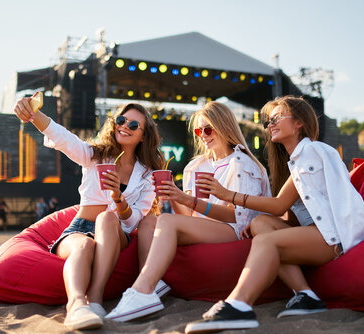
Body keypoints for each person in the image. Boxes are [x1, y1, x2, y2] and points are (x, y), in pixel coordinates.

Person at [184, 95, 364, 334]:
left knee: (266, 239)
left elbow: (278, 204)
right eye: (268, 121)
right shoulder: (293, 161)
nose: (270, 125)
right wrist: (256, 221)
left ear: (299, 123)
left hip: (336, 235)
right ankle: (305, 294)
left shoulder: (312, 150)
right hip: (319, 232)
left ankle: (239, 304)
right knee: (260, 223)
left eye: (277, 118)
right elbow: (295, 215)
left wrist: (228, 195)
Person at [106, 101, 271, 322]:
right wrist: (173, 197)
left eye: (208, 129)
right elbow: (189, 220)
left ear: (224, 127)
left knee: (166, 221)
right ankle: (152, 285)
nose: (203, 135)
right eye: (198, 130)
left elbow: (238, 217)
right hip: (207, 228)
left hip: (234, 230)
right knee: (150, 222)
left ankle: (142, 290)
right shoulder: (196, 166)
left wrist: (188, 200)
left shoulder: (242, 164)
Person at [14, 99, 164, 330]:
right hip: (80, 226)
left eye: (133, 125)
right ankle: (76, 306)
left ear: (143, 136)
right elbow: (62, 137)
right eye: (121, 120)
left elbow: (134, 220)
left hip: (116, 231)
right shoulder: (94, 154)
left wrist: (118, 197)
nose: (124, 126)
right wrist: (34, 114)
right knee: (84, 246)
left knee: (107, 217)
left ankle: (95, 298)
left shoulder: (146, 175)